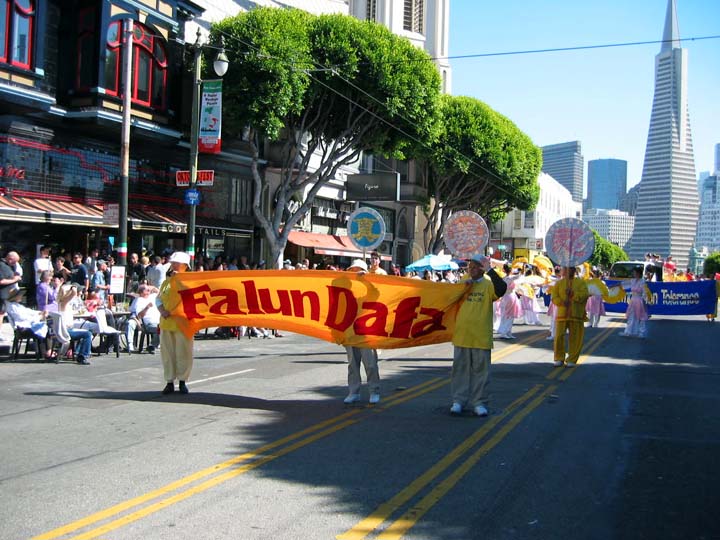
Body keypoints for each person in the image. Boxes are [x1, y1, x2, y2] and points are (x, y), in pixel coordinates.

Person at [450, 255, 507, 417]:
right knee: (460, 369)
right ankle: (458, 400)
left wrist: (490, 269)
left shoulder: (488, 283)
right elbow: (451, 297)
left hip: (481, 335)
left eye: (475, 267)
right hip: (462, 334)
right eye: (470, 267)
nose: (472, 270)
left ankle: (479, 402)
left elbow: (501, 289)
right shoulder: (464, 280)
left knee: (481, 371)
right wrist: (463, 288)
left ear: (482, 269)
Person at [343, 259, 381, 404]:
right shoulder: (346, 288)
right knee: (352, 364)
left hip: (366, 331)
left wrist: (365, 280)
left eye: (358, 270)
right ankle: (354, 392)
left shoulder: (369, 287)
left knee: (370, 364)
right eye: (352, 270)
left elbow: (376, 294)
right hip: (350, 332)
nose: (355, 273)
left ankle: (374, 391)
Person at [156, 252, 193, 394]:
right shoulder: (167, 283)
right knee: (167, 354)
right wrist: (162, 311)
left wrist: (180, 280)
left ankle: (183, 381)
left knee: (184, 353)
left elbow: (192, 298)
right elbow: (159, 299)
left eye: (177, 263)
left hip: (183, 324)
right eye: (173, 263)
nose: (174, 266)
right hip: (167, 323)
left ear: (185, 266)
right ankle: (169, 381)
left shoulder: (190, 282)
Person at [551, 266, 589, 367]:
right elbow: (554, 297)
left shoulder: (581, 282)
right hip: (562, 314)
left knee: (575, 338)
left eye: (571, 269)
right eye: (566, 269)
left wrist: (573, 294)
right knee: (559, 337)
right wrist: (562, 302)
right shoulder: (559, 283)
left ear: (574, 270)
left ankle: (572, 359)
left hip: (576, 314)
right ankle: (559, 358)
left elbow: (584, 295)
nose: (569, 271)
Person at [4, 288, 56, 361]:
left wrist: (40, 312)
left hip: (26, 326)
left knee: (45, 327)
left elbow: (28, 311)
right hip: (22, 329)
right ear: (15, 297)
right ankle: (48, 352)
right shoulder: (12, 307)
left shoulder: (17, 305)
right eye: (20, 295)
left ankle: (45, 351)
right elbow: (23, 317)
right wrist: (40, 317)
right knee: (46, 328)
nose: (21, 296)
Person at [57, 284, 93, 365]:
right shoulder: (64, 302)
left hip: (66, 329)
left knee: (85, 332)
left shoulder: (62, 302)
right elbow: (73, 293)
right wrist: (73, 287)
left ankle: (79, 351)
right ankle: (83, 356)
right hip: (66, 330)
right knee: (87, 334)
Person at [126, 284, 161, 353]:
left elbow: (159, 292)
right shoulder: (139, 300)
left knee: (165, 328)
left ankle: (152, 345)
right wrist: (146, 308)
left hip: (159, 322)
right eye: (147, 290)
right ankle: (153, 345)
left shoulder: (152, 296)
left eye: (149, 290)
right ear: (141, 292)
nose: (149, 291)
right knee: (161, 329)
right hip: (149, 324)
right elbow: (139, 316)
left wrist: (152, 287)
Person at [620, 266, 650, 338]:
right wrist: (615, 285)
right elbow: (624, 284)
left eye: (635, 272)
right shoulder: (633, 280)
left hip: (639, 300)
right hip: (633, 300)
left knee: (641, 316)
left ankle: (641, 332)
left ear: (638, 273)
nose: (633, 273)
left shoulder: (642, 281)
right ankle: (628, 331)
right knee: (631, 315)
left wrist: (644, 301)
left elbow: (644, 292)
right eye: (633, 272)